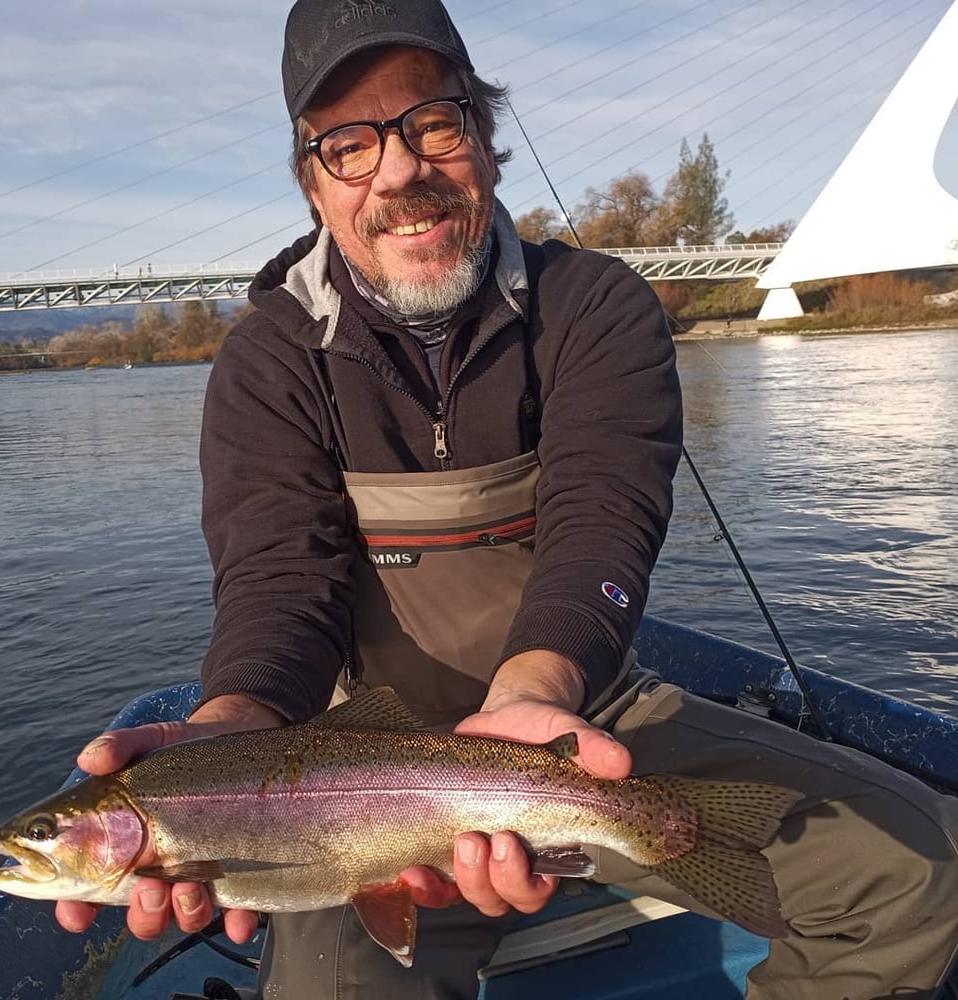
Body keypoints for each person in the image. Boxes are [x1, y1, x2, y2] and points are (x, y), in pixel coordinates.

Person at [56, 1, 958, 996]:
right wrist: (236, 725)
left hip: (584, 719)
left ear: (485, 140)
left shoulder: (597, 308)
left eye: (432, 125)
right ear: (314, 186)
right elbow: (280, 581)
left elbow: (601, 529)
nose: (399, 173)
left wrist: (533, 695)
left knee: (917, 872)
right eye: (349, 146)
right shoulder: (269, 359)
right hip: (340, 770)